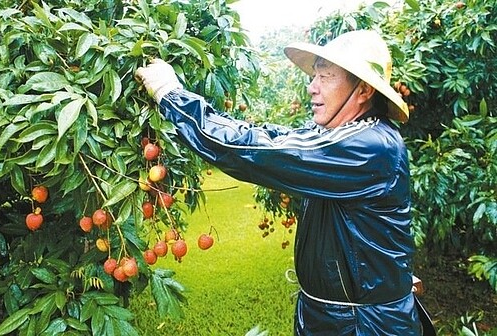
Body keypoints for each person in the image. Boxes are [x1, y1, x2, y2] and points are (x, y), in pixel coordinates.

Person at [135, 30, 424, 335]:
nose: (312, 88)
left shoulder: (368, 146)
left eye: (324, 77)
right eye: (314, 77)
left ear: (363, 91)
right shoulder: (345, 134)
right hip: (337, 316)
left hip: (361, 326)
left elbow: (255, 153)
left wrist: (172, 96)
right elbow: (274, 137)